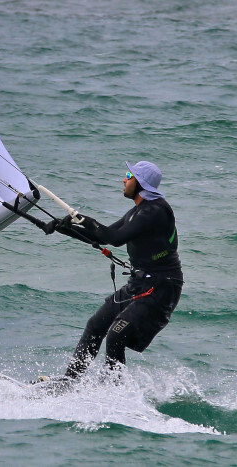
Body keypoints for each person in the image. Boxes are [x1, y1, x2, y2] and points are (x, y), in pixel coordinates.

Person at [45, 160, 183, 377]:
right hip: (139, 284)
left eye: (129, 175)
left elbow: (115, 238)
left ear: (140, 182)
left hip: (160, 288)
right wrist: (64, 228)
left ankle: (114, 390)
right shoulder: (136, 212)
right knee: (95, 326)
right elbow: (105, 235)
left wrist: (88, 222)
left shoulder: (155, 212)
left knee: (116, 335)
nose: (124, 179)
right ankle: (69, 381)